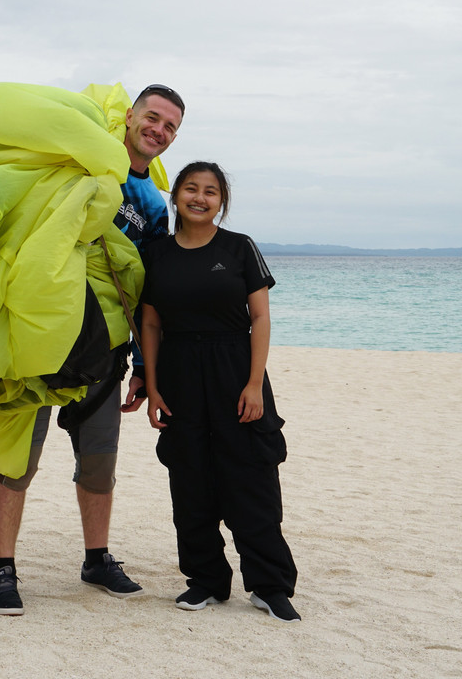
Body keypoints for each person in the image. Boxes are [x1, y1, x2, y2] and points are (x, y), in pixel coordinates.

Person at [0, 84, 186, 615]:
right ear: (130, 115)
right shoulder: (81, 161)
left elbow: (144, 289)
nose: (158, 130)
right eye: (153, 117)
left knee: (99, 460)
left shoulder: (152, 206)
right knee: (18, 455)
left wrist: (144, 366)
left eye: (169, 127)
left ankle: (97, 558)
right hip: (39, 335)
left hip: (105, 349)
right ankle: (0, 567)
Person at [139, 161, 301, 622]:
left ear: (221, 202)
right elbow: (150, 323)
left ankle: (269, 585)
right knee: (189, 481)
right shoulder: (158, 254)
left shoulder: (239, 248)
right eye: (191, 188)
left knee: (252, 478)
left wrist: (254, 384)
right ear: (176, 197)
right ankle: (206, 581)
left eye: (211, 191)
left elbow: (261, 318)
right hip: (179, 373)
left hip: (235, 370)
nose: (200, 197)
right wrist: (152, 387)